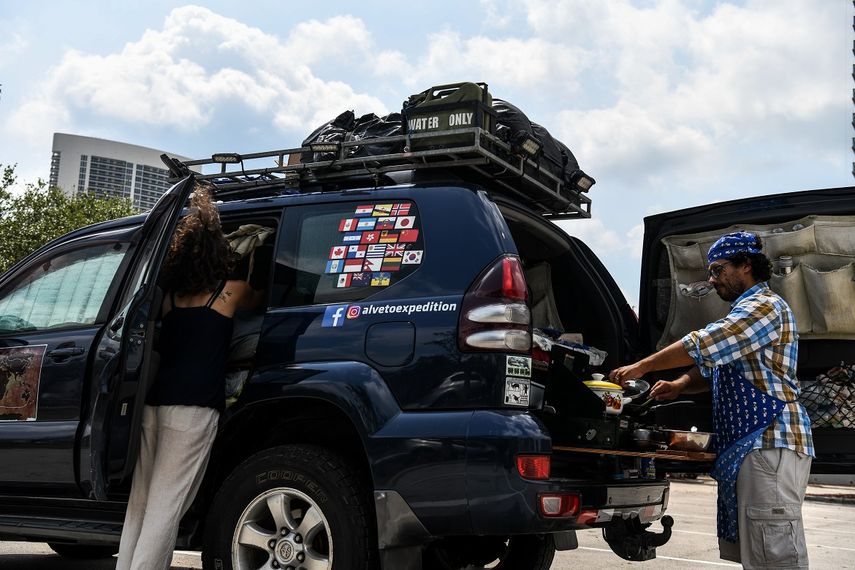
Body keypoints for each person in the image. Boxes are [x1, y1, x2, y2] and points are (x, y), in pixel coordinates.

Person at [609, 231, 813, 569]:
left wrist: (643, 366)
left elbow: (705, 343)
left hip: (770, 441)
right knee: (759, 552)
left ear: (746, 265)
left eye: (718, 270)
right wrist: (679, 385)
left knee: (776, 552)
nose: (712, 279)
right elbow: (712, 365)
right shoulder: (743, 312)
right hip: (752, 446)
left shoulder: (764, 307)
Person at [117, 182, 263, 570]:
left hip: (155, 404)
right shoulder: (231, 292)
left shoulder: (169, 298)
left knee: (141, 503)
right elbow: (261, 301)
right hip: (194, 408)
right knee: (168, 505)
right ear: (219, 253)